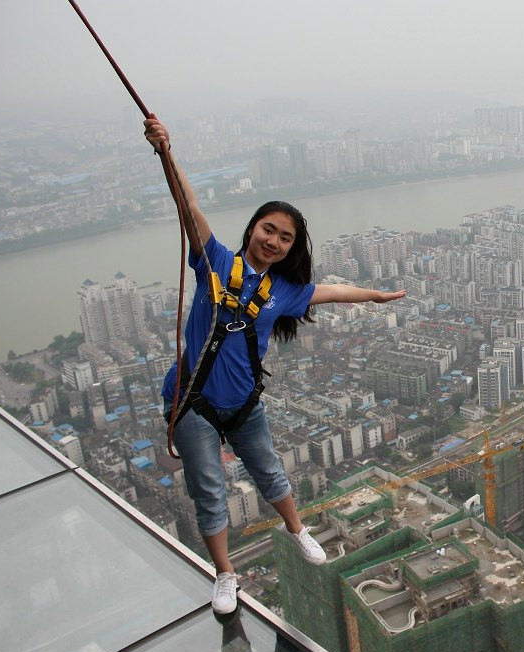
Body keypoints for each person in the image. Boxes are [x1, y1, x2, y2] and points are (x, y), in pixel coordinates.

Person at [144, 115, 405, 614]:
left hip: (243, 404)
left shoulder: (283, 291)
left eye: (285, 238)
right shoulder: (214, 261)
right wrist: (166, 152)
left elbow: (329, 291)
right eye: (269, 229)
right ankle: (226, 576)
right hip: (193, 402)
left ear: (290, 248)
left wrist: (373, 296)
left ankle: (298, 529)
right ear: (253, 228)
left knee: (269, 472)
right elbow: (189, 207)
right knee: (208, 490)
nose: (274, 241)